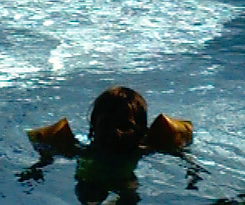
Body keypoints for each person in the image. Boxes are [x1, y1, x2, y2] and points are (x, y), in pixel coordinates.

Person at [25, 86, 193, 203]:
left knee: (129, 195)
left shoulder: (140, 150)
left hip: (123, 180)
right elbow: (51, 152)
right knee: (88, 196)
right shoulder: (85, 150)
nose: (115, 132)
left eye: (125, 126)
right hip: (89, 180)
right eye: (106, 124)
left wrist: (192, 169)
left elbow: (178, 153)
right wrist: (38, 167)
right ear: (93, 125)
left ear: (141, 133)